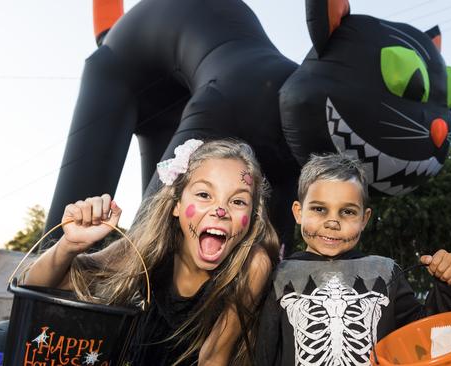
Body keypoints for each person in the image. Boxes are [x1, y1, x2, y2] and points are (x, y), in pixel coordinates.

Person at [24, 139, 279, 366]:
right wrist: (70, 245)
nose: (220, 210)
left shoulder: (254, 263)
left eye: (238, 201)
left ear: (251, 217)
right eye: (204, 194)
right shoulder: (147, 247)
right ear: (177, 205)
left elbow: (213, 358)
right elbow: (35, 288)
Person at [255, 153, 451, 366]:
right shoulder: (279, 275)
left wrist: (446, 285)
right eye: (319, 209)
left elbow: (425, 335)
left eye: (347, 212)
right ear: (298, 212)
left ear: (364, 218)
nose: (332, 222)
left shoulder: (386, 272)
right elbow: (264, 350)